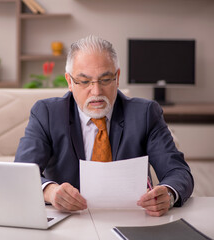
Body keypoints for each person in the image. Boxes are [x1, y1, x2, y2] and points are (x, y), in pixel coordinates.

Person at [15, 35, 194, 217]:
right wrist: (50, 191)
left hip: (132, 219)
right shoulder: (47, 113)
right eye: (84, 81)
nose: (96, 91)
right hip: (69, 220)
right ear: (69, 82)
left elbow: (178, 171)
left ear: (117, 77)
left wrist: (169, 194)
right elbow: (21, 173)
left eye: (105, 80)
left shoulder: (145, 113)